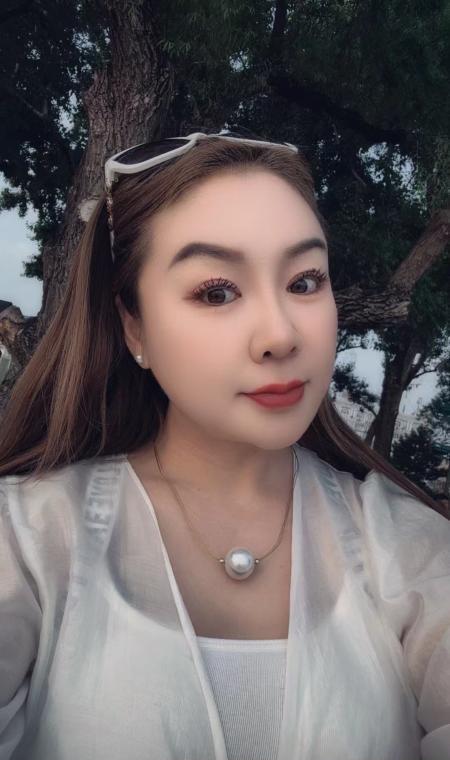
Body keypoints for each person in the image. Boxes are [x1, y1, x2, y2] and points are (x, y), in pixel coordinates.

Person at [0, 128, 449, 760]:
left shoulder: (411, 551)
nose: (280, 335)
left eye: (304, 281)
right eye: (217, 291)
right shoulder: (26, 541)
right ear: (134, 326)